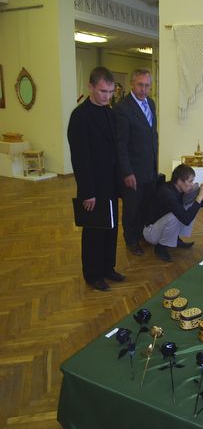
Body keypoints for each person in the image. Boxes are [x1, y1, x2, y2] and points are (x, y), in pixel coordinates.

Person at [68, 66, 125, 291]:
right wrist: (87, 191)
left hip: (110, 183)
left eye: (111, 92)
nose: (108, 96)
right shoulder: (80, 116)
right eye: (103, 91)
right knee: (93, 230)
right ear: (91, 87)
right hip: (93, 185)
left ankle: (107, 267)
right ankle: (92, 274)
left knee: (110, 227)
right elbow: (80, 158)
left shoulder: (109, 112)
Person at [113, 68, 158, 256]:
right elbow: (120, 145)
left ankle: (141, 235)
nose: (144, 89)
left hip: (149, 168)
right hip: (132, 171)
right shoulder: (122, 108)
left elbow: (151, 134)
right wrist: (127, 172)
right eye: (140, 85)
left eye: (147, 85)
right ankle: (131, 240)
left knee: (145, 205)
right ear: (132, 84)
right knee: (131, 208)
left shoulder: (151, 104)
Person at [143, 164, 203, 262]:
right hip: (151, 233)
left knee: (189, 207)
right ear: (179, 181)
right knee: (175, 216)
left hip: (161, 225)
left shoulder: (177, 188)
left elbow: (200, 205)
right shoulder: (167, 193)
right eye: (190, 181)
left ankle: (175, 239)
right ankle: (160, 247)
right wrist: (199, 197)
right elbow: (186, 219)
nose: (192, 184)